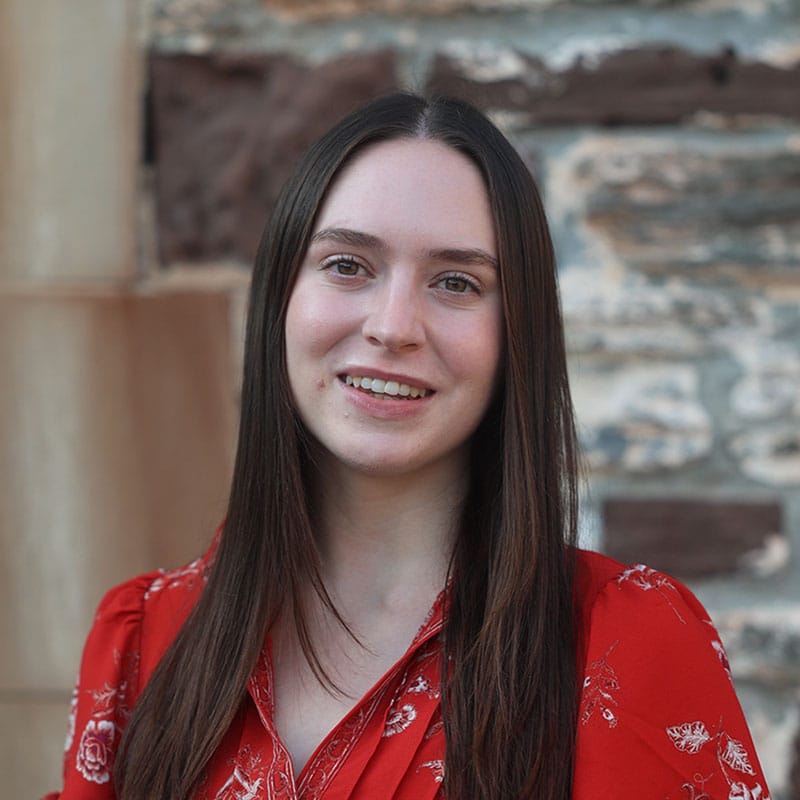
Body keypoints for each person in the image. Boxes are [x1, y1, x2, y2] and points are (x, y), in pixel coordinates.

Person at [45, 92, 770, 800]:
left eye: (456, 282)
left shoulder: (622, 646)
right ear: (280, 301)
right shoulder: (144, 642)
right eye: (348, 266)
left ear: (518, 335)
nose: (394, 327)